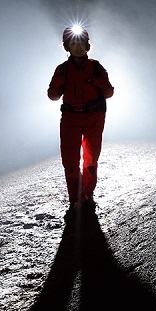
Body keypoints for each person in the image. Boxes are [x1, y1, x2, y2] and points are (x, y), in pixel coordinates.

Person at [47, 25, 115, 210]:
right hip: (70, 118)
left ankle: (88, 193)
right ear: (67, 46)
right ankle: (75, 198)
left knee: (91, 158)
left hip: (94, 116)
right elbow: (53, 96)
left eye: (81, 42)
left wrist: (99, 83)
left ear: (87, 45)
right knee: (70, 160)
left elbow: (109, 92)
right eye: (73, 43)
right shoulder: (62, 70)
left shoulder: (96, 67)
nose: (78, 46)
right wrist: (58, 84)